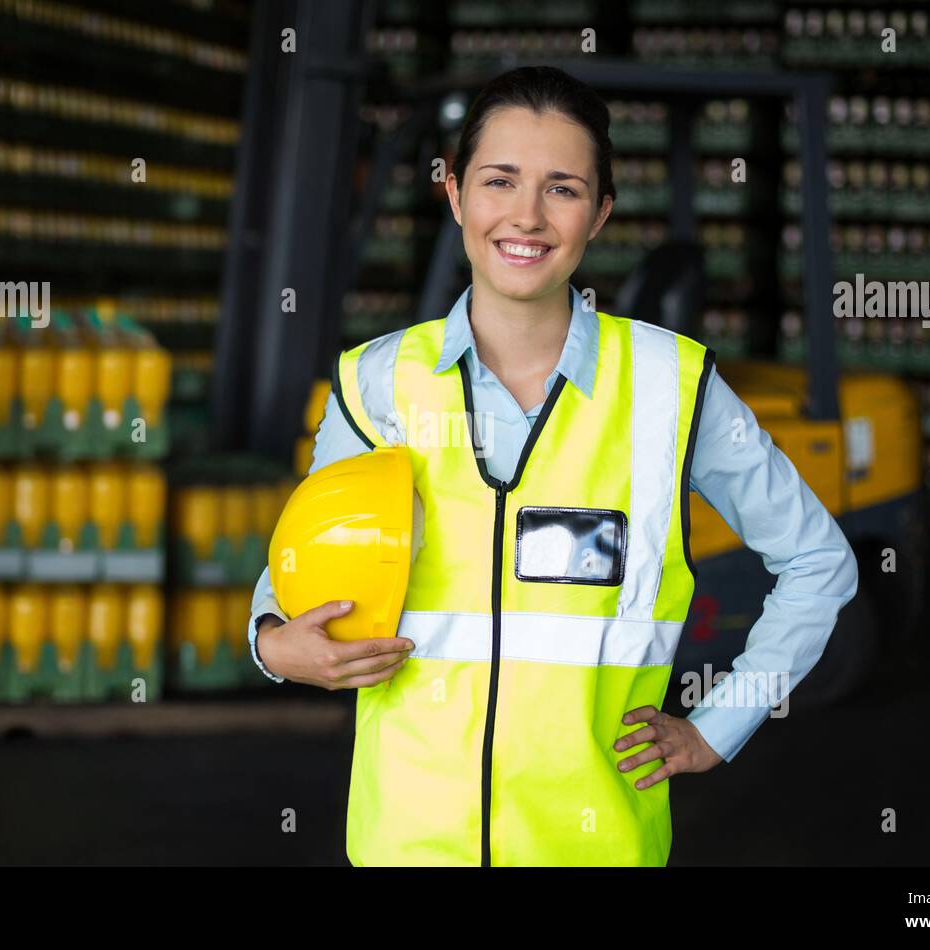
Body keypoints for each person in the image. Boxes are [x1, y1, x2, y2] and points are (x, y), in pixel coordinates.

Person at [248, 66, 858, 866]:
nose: (526, 216)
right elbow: (301, 561)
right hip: (410, 844)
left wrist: (720, 722)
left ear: (599, 213)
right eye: (500, 181)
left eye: (562, 189)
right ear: (457, 194)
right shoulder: (376, 383)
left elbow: (819, 560)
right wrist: (270, 641)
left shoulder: (670, 387)